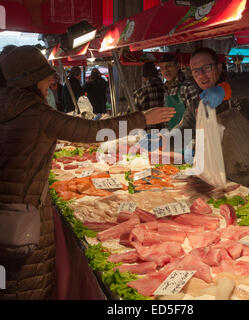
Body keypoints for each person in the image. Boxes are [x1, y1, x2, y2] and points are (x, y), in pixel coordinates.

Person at [0, 45, 176, 300]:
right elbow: (92, 131)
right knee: (27, 285)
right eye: (45, 73)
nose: (52, 79)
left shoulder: (8, 107)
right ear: (30, 78)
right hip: (24, 218)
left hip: (8, 212)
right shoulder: (36, 113)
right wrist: (142, 119)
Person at [170, 47, 249, 192]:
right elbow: (184, 131)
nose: (201, 75)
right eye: (195, 71)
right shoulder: (198, 103)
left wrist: (226, 91)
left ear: (219, 68)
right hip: (231, 181)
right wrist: (163, 140)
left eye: (206, 68)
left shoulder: (239, 83)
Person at [158, 53, 199, 130]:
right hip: (172, 136)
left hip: (188, 137)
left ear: (177, 66)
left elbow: (197, 117)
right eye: (162, 68)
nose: (165, 70)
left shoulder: (187, 87)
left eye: (169, 66)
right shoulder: (166, 90)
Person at [133, 62, 165, 131]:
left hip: (147, 136)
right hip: (168, 135)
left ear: (144, 77)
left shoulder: (139, 93)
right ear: (157, 74)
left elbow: (133, 117)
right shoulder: (168, 89)